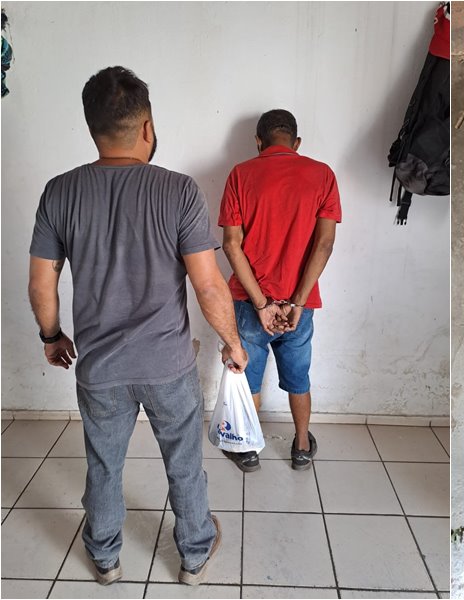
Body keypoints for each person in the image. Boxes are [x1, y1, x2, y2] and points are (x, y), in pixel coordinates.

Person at [28, 66, 247, 587]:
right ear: (147, 126)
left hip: (100, 369)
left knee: (103, 465)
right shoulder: (179, 191)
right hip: (168, 366)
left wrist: (52, 337)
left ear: (92, 128)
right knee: (183, 463)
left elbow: (41, 284)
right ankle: (194, 554)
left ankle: (105, 558)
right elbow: (209, 286)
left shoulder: (59, 192)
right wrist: (233, 343)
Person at [218, 109, 340, 472]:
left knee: (248, 377)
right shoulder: (323, 175)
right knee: (298, 377)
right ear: (296, 142)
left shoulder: (240, 174)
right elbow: (324, 244)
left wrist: (261, 303)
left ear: (259, 142)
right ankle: (301, 445)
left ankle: (248, 450)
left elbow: (231, 244)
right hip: (298, 306)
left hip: (249, 303)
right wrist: (297, 301)